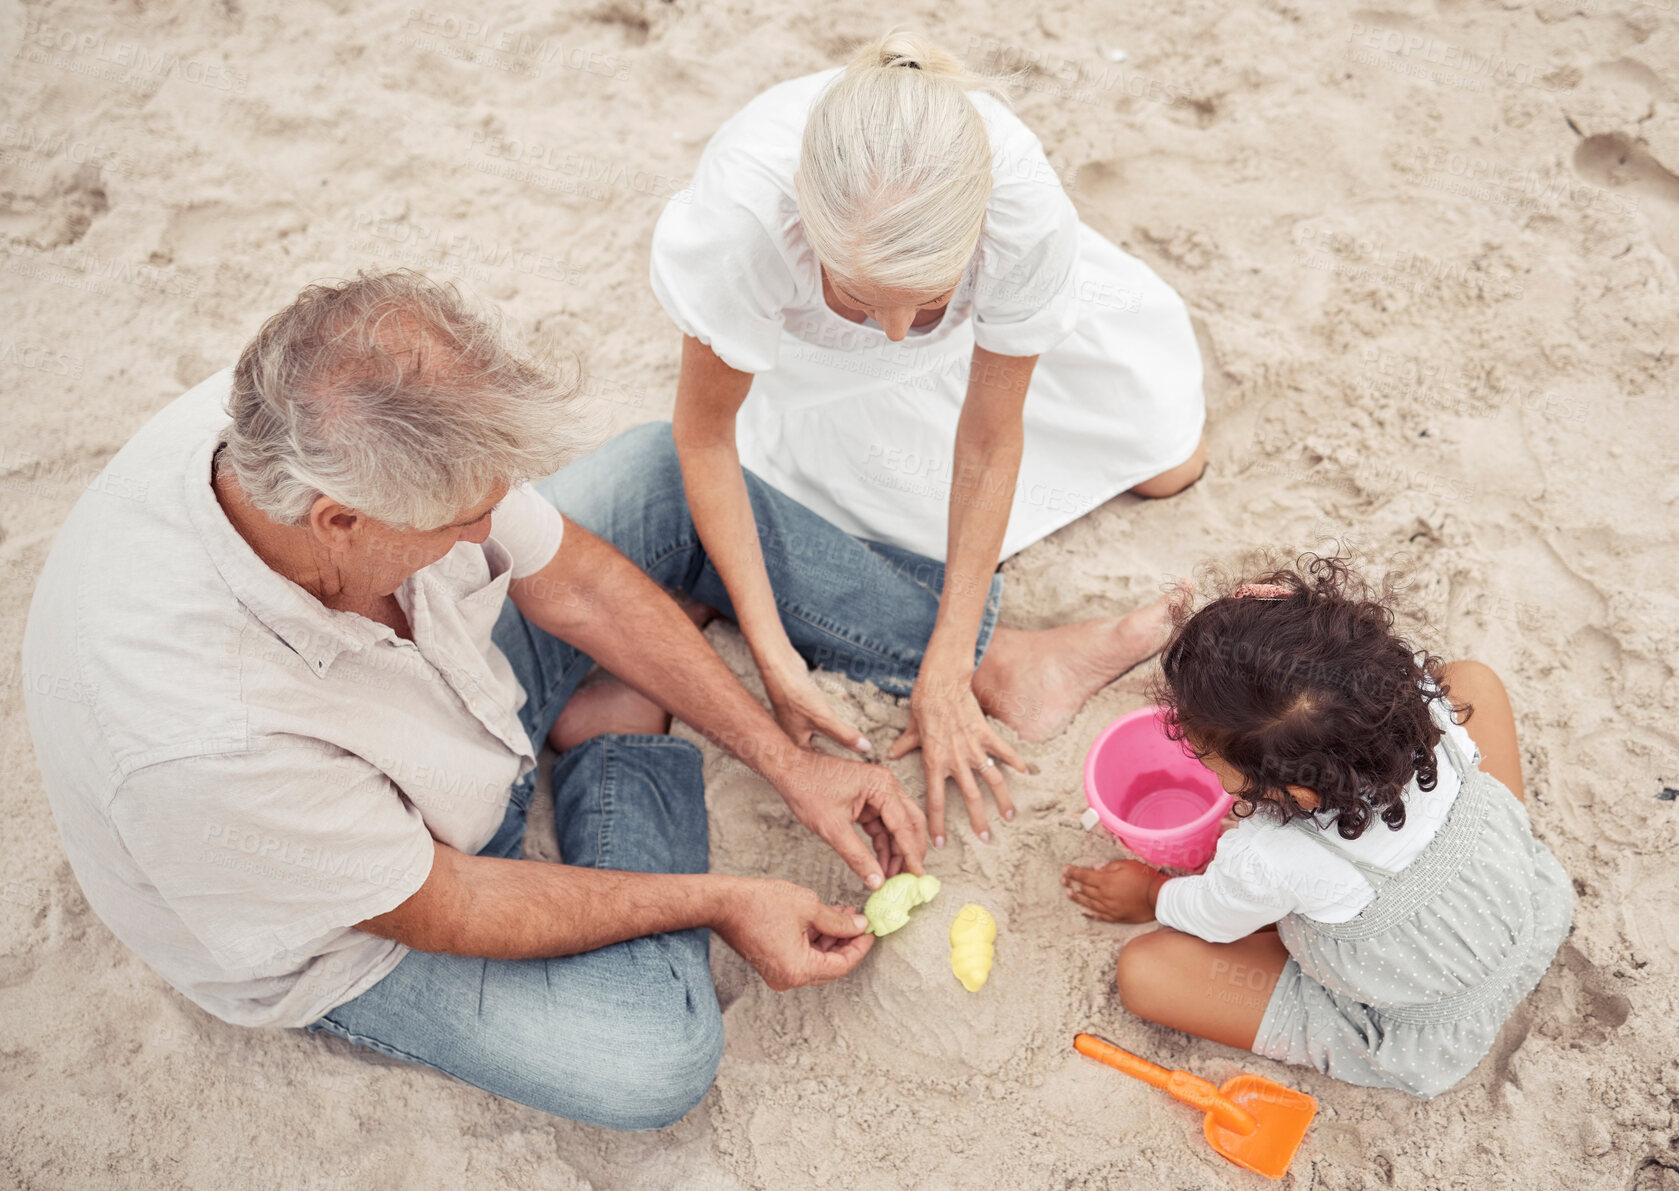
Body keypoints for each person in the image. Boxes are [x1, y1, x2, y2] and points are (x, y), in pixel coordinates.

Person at [20, 270, 933, 1130]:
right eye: (462, 521)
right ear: (339, 518)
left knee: (660, 475)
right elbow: (449, 900)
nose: (488, 529)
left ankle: (976, 650)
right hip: (356, 915)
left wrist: (789, 762)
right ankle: (616, 742)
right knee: (651, 1056)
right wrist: (724, 898)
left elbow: (572, 581)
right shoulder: (202, 739)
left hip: (449, 709)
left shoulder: (322, 416)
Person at [651, 31, 1208, 850]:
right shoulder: (746, 219)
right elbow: (701, 439)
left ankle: (986, 657)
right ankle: (1010, 660)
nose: (894, 331)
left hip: (980, 359)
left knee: (1171, 464)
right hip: (822, 378)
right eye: (859, 296)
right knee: (833, 516)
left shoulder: (1018, 200)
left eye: (924, 298)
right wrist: (772, 652)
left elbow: (987, 436)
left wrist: (946, 664)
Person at [1061, 557, 1574, 1097]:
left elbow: (1213, 919)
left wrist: (1150, 892)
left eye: (1210, 760)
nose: (1203, 765)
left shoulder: (1270, 857)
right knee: (1473, 680)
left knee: (1145, 971)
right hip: (1530, 911)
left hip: (1424, 1023)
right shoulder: (1425, 705)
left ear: (1298, 793)